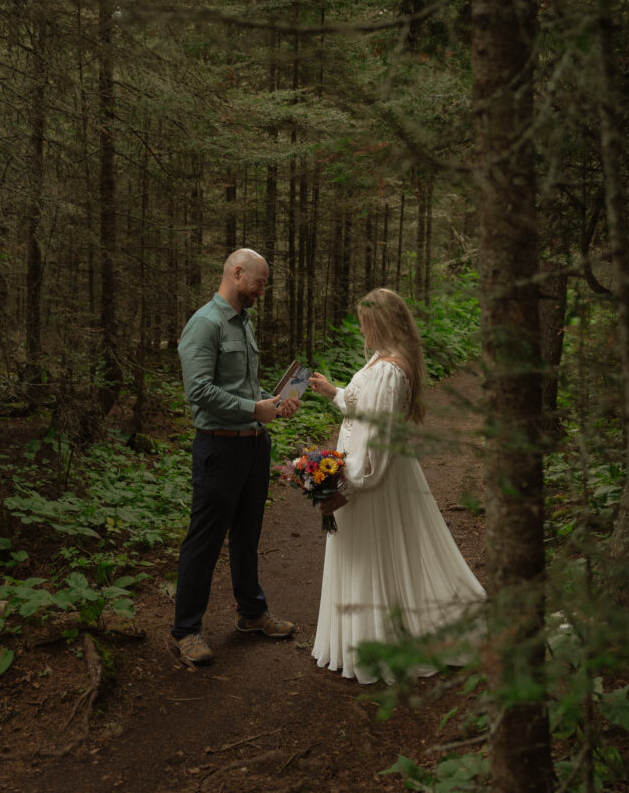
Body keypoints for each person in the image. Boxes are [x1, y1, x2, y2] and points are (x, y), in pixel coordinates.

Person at [309, 288, 485, 684]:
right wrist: (335, 393)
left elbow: (378, 441)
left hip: (374, 482)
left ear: (380, 323)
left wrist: (349, 486)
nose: (360, 330)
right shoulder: (380, 361)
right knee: (362, 554)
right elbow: (364, 409)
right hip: (363, 474)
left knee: (371, 554)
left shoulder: (390, 370)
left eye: (364, 323)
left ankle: (376, 648)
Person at [172, 248, 300, 666]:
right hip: (219, 447)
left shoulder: (243, 323)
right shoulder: (204, 324)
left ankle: (251, 613)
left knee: (247, 534)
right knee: (205, 539)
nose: (262, 292)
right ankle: (187, 630)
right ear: (237, 272)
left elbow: (243, 386)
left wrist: (271, 403)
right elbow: (199, 392)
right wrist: (252, 409)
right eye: (259, 283)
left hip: (253, 445)